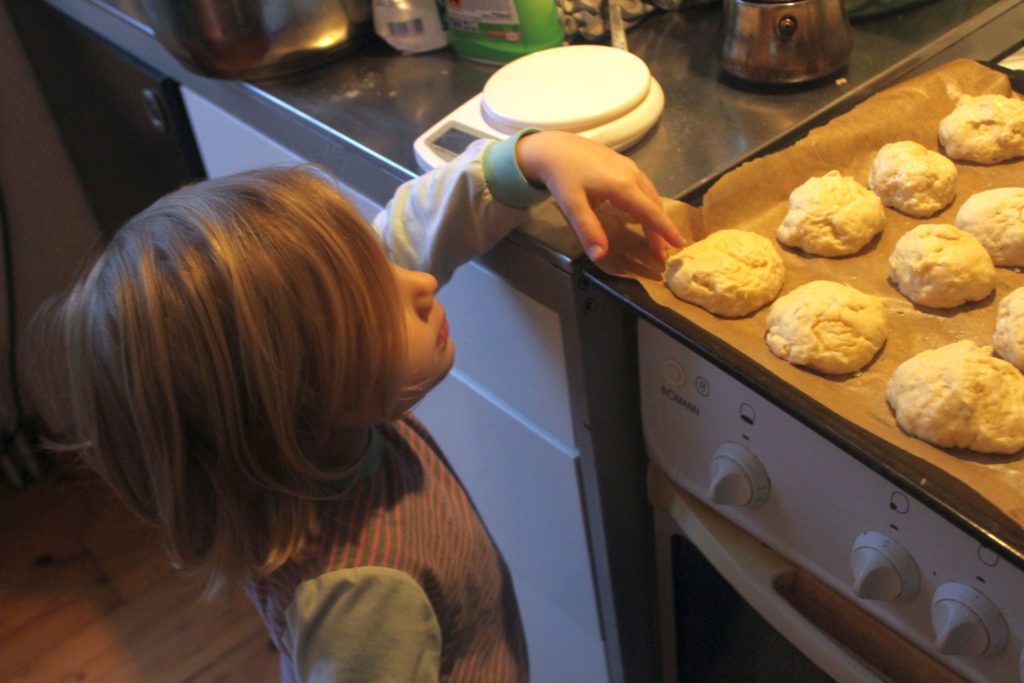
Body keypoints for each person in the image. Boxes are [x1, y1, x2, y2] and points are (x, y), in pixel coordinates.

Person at [37, 129, 684, 682]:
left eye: (380, 270)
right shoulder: (365, 603)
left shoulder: (312, 420)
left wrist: (528, 159)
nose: (422, 281)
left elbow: (407, 229)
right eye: (379, 297)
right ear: (298, 393)